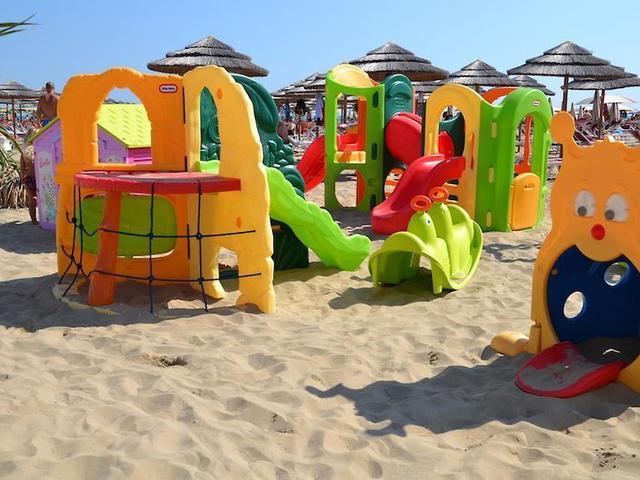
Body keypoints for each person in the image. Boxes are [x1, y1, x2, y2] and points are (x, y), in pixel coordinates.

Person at [20, 144, 38, 224]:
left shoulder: (25, 153)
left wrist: (23, 180)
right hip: (36, 177)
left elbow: (22, 169)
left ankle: (35, 220)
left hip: (30, 178)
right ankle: (37, 220)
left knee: (32, 200)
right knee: (36, 199)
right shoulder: (39, 149)